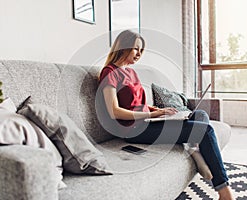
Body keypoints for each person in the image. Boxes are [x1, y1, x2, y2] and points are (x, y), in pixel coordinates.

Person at [96, 30, 234, 200]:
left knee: (199, 114)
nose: (139, 54)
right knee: (205, 130)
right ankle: (224, 192)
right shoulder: (108, 72)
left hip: (146, 121)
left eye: (141, 50)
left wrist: (159, 111)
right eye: (136, 49)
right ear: (123, 47)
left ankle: (193, 147)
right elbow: (114, 111)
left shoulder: (131, 72)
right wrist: (152, 115)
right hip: (133, 130)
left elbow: (139, 104)